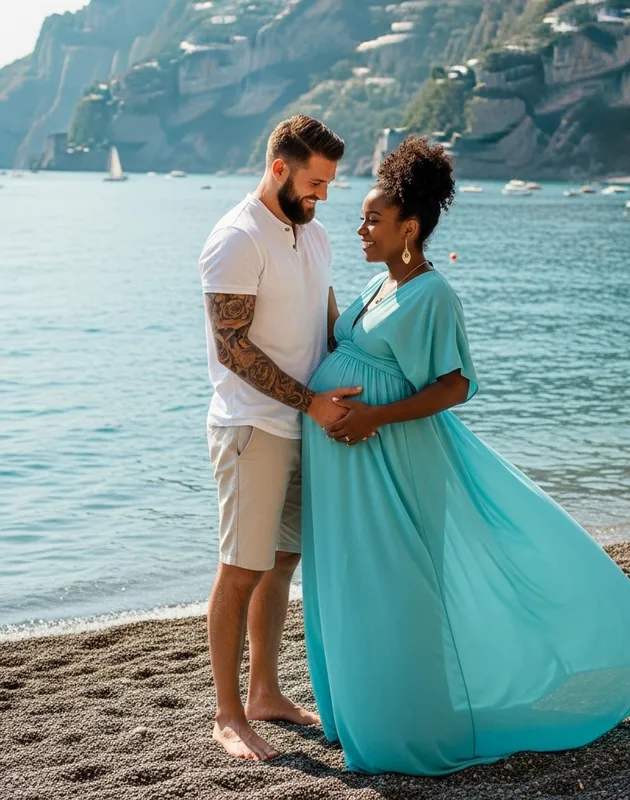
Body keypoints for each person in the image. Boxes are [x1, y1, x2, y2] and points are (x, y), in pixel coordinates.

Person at [301, 136, 630, 775]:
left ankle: (408, 725)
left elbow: (455, 385)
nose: (361, 229)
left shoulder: (432, 294)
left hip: (393, 462)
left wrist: (373, 416)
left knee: (397, 590)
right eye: (363, 218)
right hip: (351, 469)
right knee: (351, 585)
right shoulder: (379, 284)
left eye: (373, 219)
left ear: (410, 227)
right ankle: (363, 715)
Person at [198, 115, 359, 762]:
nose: (322, 195)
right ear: (278, 169)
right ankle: (228, 715)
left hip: (304, 426)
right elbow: (232, 348)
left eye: (329, 184)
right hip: (253, 426)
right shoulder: (236, 238)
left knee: (281, 561)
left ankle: (264, 693)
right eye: (315, 183)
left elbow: (325, 315)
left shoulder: (313, 232)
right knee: (241, 568)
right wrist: (310, 402)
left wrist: (366, 366)